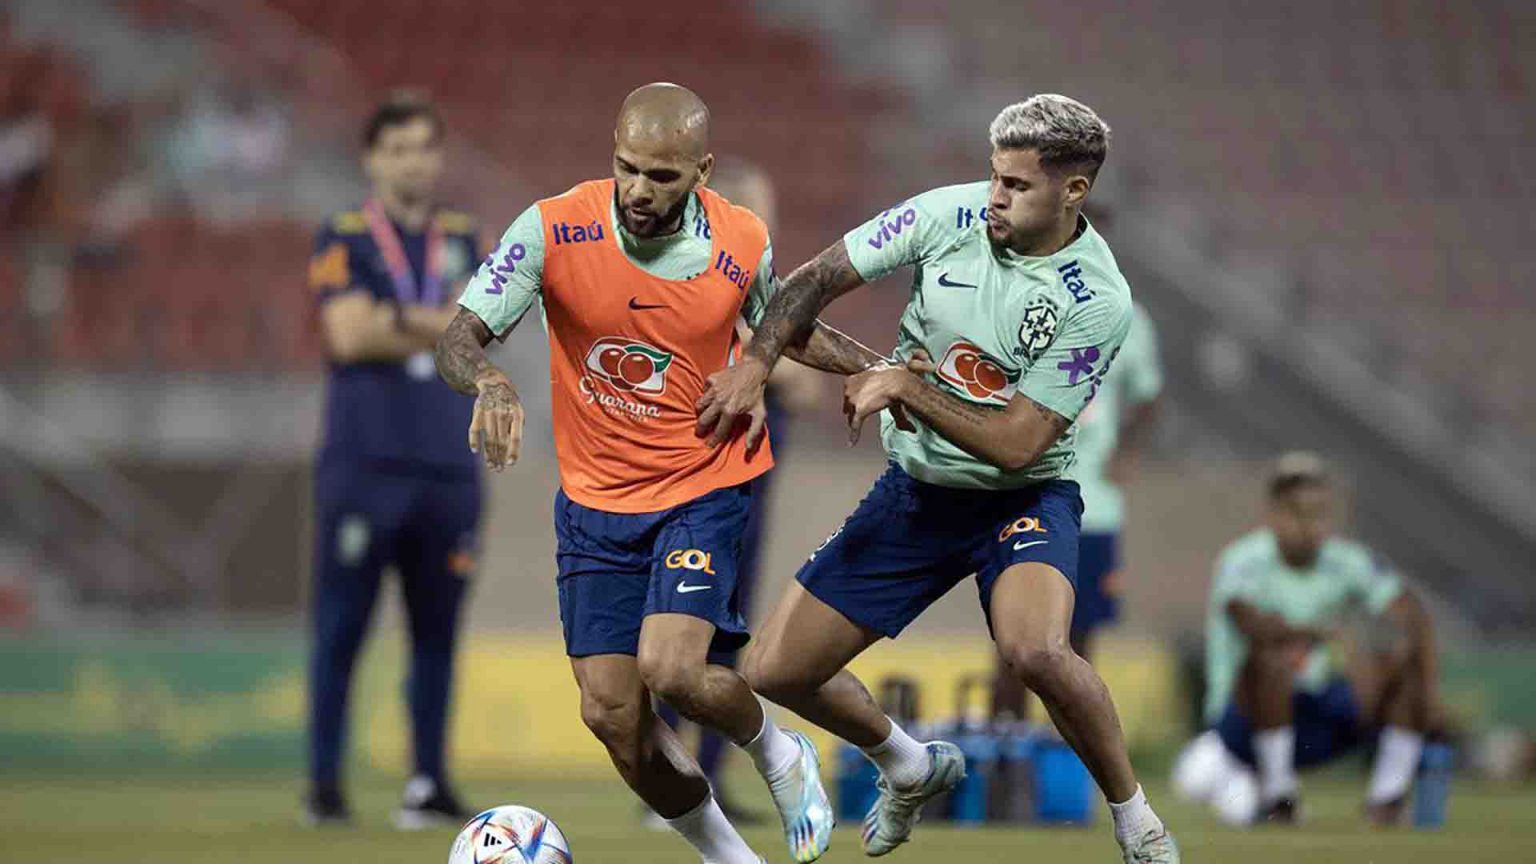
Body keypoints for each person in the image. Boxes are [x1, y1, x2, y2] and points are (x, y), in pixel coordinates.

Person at [697, 94, 1180, 863]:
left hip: (1021, 500)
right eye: (994, 176)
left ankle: (1136, 820)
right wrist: (756, 367)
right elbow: (811, 282)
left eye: (1017, 186)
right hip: (916, 494)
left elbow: (1019, 444)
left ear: (1074, 192)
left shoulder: (1099, 299)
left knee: (1037, 653)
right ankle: (908, 764)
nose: (995, 196)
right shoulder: (943, 216)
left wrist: (904, 386)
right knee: (775, 669)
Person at [435, 83, 894, 864]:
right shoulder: (553, 228)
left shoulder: (740, 238)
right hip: (594, 502)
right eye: (628, 168)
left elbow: (783, 325)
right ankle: (727, 855)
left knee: (673, 669)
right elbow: (459, 336)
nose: (640, 190)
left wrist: (879, 371)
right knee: (613, 716)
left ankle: (779, 753)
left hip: (702, 482)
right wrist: (491, 380)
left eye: (663, 176)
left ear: (701, 172)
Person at [305, 91, 481, 828]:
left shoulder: (467, 237)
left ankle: (428, 783)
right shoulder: (341, 235)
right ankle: (323, 787)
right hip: (363, 465)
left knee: (437, 634)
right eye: (398, 147)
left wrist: (396, 319)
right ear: (373, 158)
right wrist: (438, 319)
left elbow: (481, 333)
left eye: (424, 146)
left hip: (447, 466)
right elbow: (348, 337)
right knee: (342, 628)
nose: (414, 160)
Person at [649, 159, 826, 824]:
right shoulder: (697, 282)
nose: (764, 225)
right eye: (753, 211)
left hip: (753, 484)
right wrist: (761, 366)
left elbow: (803, 385)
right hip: (696, 480)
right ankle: (664, 779)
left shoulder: (770, 296)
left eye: (768, 213)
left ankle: (716, 777)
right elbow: (710, 370)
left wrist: (758, 366)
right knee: (678, 626)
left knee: (730, 627)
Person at [1177, 451, 1442, 825]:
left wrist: (1423, 688)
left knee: (1405, 671)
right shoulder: (1243, 560)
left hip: (1319, 713)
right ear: (1273, 514)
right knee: (1271, 661)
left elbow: (1412, 613)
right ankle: (1280, 798)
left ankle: (1386, 800)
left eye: (1318, 513)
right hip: (1244, 724)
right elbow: (1252, 625)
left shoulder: (1347, 561)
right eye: (1296, 512)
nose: (1308, 525)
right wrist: (1330, 637)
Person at [992, 301, 1162, 718]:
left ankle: (1073, 767)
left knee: (1078, 645)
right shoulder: (1022, 301)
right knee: (1012, 644)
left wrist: (1127, 452)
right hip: (1024, 498)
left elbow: (1149, 396)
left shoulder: (1127, 316)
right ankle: (1008, 766)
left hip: (1094, 505)